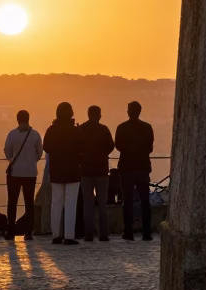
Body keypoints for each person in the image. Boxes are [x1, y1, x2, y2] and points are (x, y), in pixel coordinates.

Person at [115, 101, 155, 241]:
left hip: (126, 168)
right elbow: (150, 147)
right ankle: (146, 233)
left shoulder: (121, 128)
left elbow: (118, 146)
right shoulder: (147, 127)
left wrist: (129, 151)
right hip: (143, 168)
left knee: (127, 201)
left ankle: (128, 232)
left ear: (128, 112)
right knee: (145, 201)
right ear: (139, 111)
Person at [43, 102, 82, 246]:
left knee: (56, 202)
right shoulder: (76, 130)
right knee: (71, 203)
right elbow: (82, 147)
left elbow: (46, 147)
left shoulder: (51, 130)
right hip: (72, 170)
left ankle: (56, 234)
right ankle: (69, 235)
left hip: (56, 170)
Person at [4, 110, 43, 242]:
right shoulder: (35, 135)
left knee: (12, 202)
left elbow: (7, 152)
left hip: (15, 173)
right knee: (29, 203)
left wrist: (13, 161)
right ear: (28, 119)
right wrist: (31, 162)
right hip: (30, 173)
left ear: (17, 120)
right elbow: (39, 153)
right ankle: (28, 232)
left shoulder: (12, 135)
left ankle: (10, 232)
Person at [78, 105, 114, 242]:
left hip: (86, 171)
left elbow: (77, 147)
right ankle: (104, 234)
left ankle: (88, 233)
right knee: (103, 203)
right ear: (98, 115)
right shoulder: (104, 130)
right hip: (102, 170)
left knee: (88, 203)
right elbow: (111, 146)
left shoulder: (81, 129)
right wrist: (102, 154)